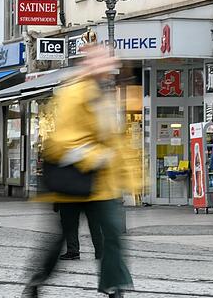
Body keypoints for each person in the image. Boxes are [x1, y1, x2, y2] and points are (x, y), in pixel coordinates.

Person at [23, 44, 140, 298]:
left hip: (102, 184)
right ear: (89, 64)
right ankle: (37, 280)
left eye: (108, 61)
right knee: (61, 239)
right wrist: (97, 156)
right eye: (100, 61)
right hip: (73, 182)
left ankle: (114, 287)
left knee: (112, 234)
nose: (106, 66)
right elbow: (61, 142)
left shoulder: (106, 96)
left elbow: (117, 142)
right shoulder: (72, 93)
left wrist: (130, 178)